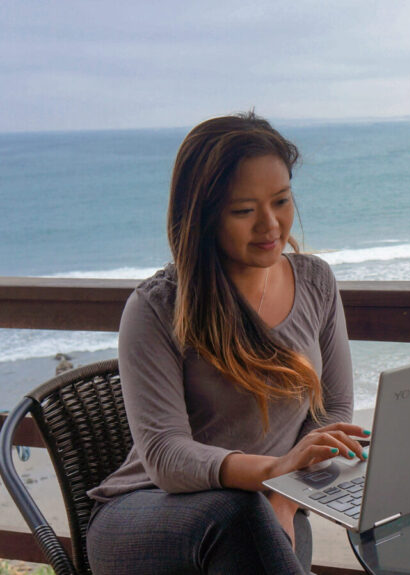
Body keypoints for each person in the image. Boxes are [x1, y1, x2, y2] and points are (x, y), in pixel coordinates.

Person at [86, 112, 365, 574]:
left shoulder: (315, 281)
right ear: (203, 214)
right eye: (243, 211)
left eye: (281, 201)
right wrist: (272, 474)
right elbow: (165, 456)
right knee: (240, 515)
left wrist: (282, 494)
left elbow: (332, 413)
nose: (270, 225)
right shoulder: (158, 307)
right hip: (148, 514)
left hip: (265, 503)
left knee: (252, 518)